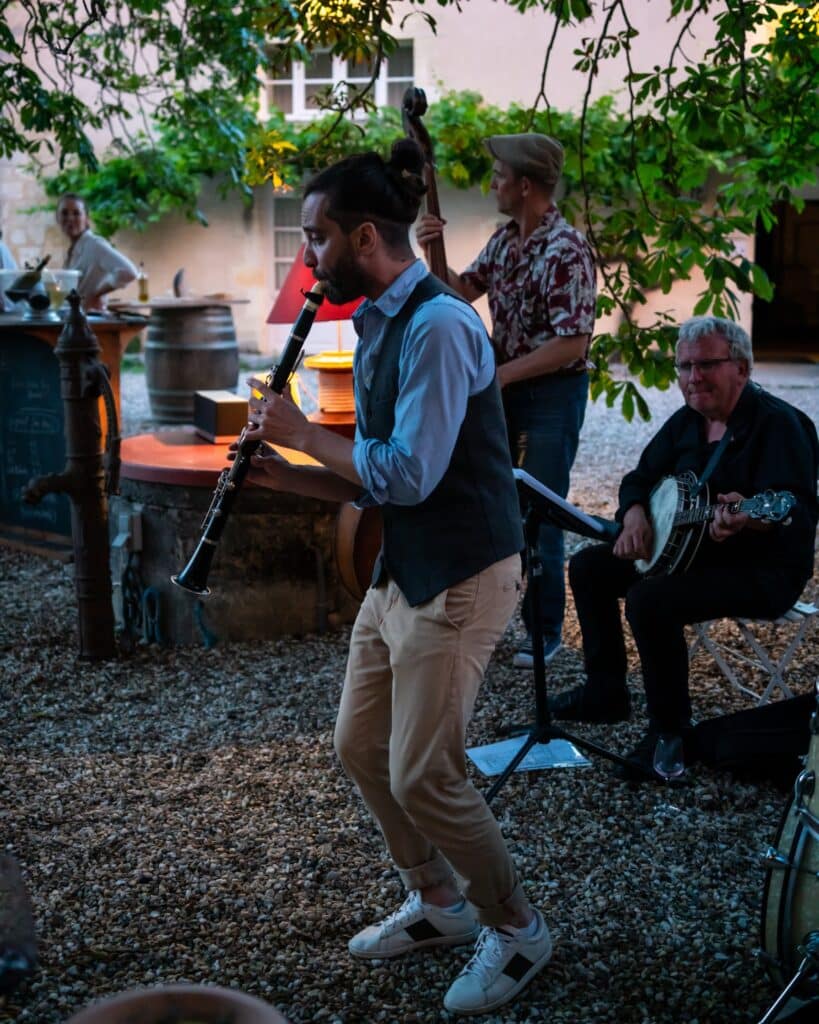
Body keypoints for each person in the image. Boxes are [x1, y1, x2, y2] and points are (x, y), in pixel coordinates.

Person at [240, 139, 553, 1016]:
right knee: (357, 747)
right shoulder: (377, 317)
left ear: (366, 235)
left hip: (461, 573)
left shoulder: (443, 326)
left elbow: (410, 474)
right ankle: (441, 902)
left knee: (426, 774)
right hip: (404, 570)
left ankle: (519, 927)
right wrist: (289, 473)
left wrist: (303, 431)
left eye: (315, 239)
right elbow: (379, 467)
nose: (307, 258)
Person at [552, 316, 818, 782]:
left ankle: (670, 735)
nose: (693, 378)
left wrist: (749, 521)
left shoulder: (781, 426)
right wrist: (634, 511)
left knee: (651, 599)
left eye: (706, 365)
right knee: (590, 566)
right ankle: (606, 689)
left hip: (763, 571)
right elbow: (639, 477)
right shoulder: (688, 422)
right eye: (684, 367)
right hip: (692, 557)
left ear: (742, 367)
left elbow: (794, 511)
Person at [415, 132, 596, 669]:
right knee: (500, 505)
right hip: (511, 389)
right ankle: (502, 619)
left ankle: (544, 633)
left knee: (538, 509)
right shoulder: (504, 241)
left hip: (552, 395)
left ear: (524, 184)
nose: (491, 183)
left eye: (498, 176)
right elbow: (458, 292)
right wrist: (429, 250)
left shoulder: (567, 250)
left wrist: (499, 376)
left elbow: (573, 342)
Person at [56, 193, 138, 310]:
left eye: (76, 213)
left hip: (92, 322)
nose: (70, 218)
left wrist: (97, 294)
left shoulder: (94, 245)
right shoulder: (73, 250)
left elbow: (129, 272)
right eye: (64, 213)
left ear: (86, 219)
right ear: (57, 218)